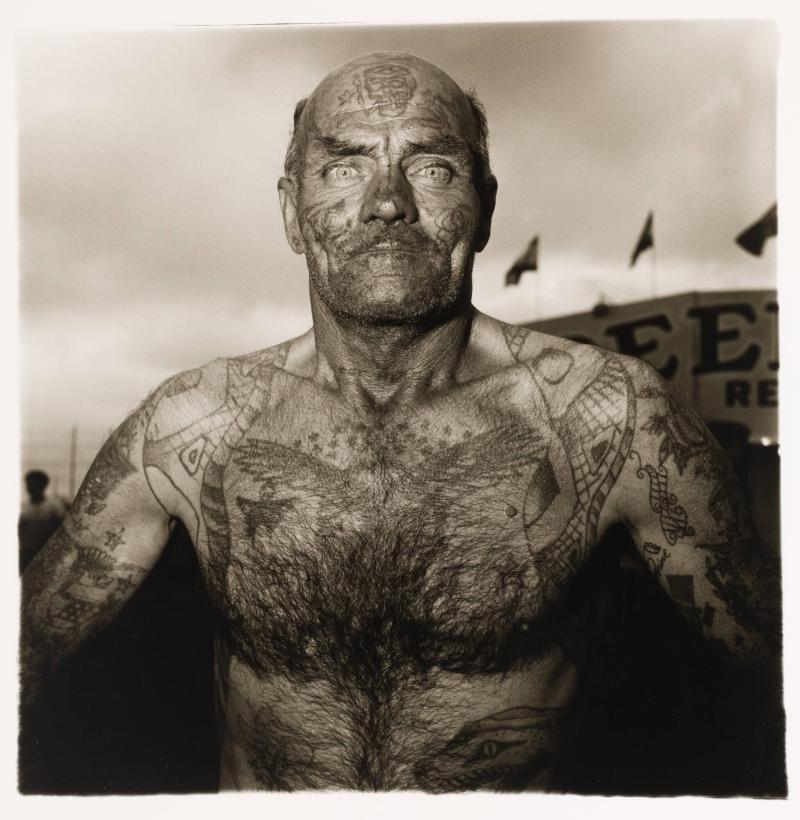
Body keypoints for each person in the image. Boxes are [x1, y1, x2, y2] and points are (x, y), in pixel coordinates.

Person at [21, 51, 780, 792]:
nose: (388, 202)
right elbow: (24, 642)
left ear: (483, 207)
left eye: (432, 166)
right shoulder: (197, 425)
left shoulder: (611, 419)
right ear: (292, 209)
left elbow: (775, 658)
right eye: (345, 166)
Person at [18, 470, 67, 575]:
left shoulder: (54, 506)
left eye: (35, 484)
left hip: (47, 553)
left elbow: (63, 527)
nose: (31, 487)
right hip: (26, 553)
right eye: (29, 484)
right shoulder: (22, 508)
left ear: (43, 486)